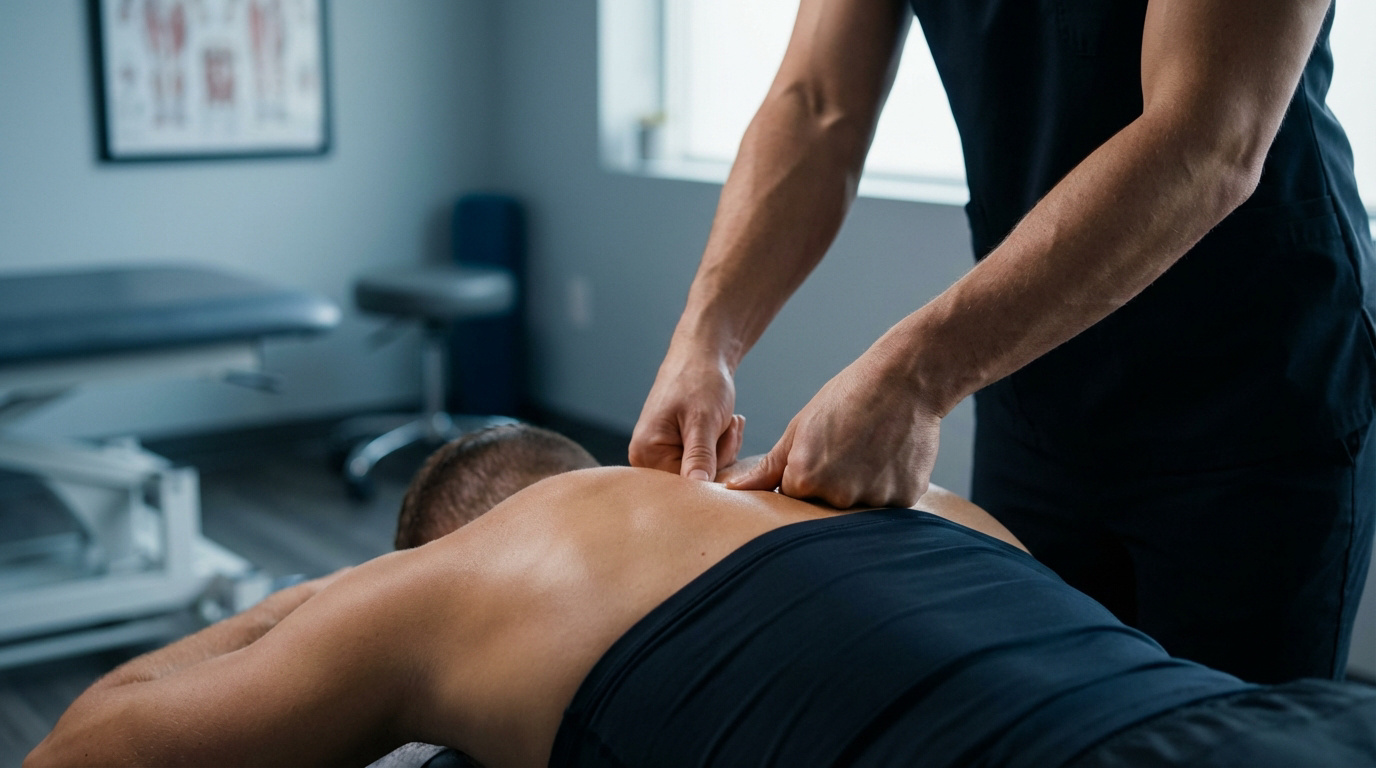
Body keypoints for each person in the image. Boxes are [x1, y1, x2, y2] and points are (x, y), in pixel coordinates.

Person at [628, 0, 1376, 683]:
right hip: (1038, 388)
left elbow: (1207, 135)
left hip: (1256, 393)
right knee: (1032, 714)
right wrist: (705, 342)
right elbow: (818, 104)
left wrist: (914, 377)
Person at [27, 426, 1376, 767]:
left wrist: (342, 592)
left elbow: (83, 748)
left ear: (444, 550)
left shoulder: (456, 586)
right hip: (1282, 720)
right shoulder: (899, 496)